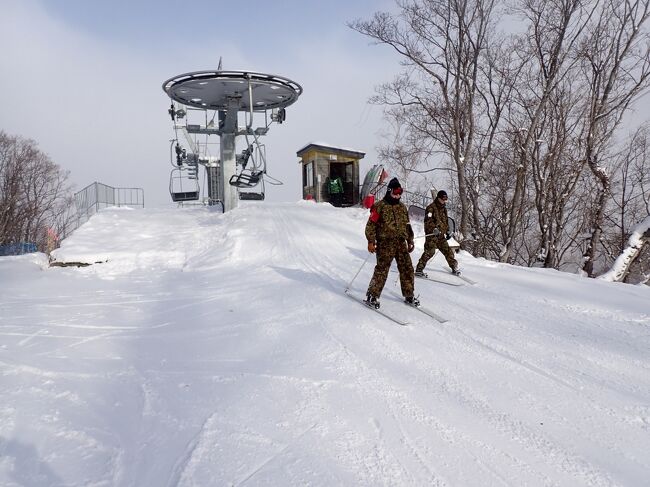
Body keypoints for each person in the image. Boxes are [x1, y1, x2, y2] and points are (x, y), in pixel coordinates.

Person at [364, 178, 419, 308]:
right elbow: (370, 225)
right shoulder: (379, 206)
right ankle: (372, 295)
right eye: (395, 193)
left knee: (407, 268)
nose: (397, 196)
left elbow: (407, 225)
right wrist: (371, 241)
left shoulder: (402, 207)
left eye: (400, 193)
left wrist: (410, 240)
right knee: (382, 270)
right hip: (385, 244)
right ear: (389, 191)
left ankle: (409, 294)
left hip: (400, 243)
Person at [415, 190, 460, 277]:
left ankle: (454, 266)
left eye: (445, 199)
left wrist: (447, 231)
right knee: (429, 252)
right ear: (438, 198)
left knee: (448, 251)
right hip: (432, 235)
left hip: (441, 236)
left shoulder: (444, 209)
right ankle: (419, 269)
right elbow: (427, 221)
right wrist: (434, 229)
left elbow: (445, 221)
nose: (444, 201)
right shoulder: (431, 208)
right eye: (443, 199)